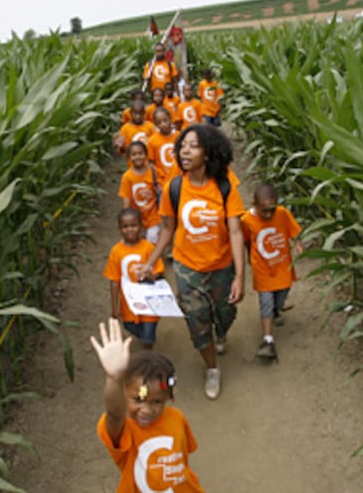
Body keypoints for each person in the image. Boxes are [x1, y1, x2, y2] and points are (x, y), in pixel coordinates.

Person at [136, 124, 245, 400]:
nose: (185, 150)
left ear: (207, 153)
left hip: (221, 266)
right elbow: (168, 229)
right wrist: (150, 262)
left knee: (226, 313)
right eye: (183, 145)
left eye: (193, 145)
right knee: (197, 321)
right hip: (187, 268)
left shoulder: (224, 186)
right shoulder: (175, 186)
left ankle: (222, 332)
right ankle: (212, 368)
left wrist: (240, 276)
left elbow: (235, 231)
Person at [91, 319, 204, 491]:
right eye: (138, 399)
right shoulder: (124, 429)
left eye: (156, 402)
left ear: (169, 397)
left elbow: (182, 460)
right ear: (123, 394)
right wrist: (114, 378)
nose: (146, 410)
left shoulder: (177, 418)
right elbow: (114, 414)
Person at [241, 184, 304, 361]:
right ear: (254, 204)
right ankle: (268, 340)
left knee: (282, 295)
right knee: (266, 302)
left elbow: (292, 230)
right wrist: (248, 257)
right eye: (264, 211)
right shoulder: (246, 220)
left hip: (282, 266)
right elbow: (246, 241)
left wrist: (297, 243)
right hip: (263, 269)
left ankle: (277, 310)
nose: (268, 215)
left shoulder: (282, 213)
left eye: (271, 210)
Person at [103, 208, 165, 349]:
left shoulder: (148, 248)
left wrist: (152, 276)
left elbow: (160, 272)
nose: (130, 229)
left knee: (148, 335)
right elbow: (114, 281)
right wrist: (115, 307)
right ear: (119, 229)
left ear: (141, 226)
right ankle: (144, 337)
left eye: (134, 225)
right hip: (129, 304)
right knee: (130, 326)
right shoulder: (116, 252)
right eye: (125, 226)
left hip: (149, 302)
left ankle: (147, 353)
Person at [118, 141, 162, 244]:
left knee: (152, 237)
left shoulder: (153, 171)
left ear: (146, 155)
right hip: (136, 216)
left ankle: (152, 257)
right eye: (134, 154)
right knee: (138, 241)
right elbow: (126, 198)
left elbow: (162, 186)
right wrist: (127, 217)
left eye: (140, 153)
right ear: (129, 158)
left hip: (153, 215)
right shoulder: (127, 177)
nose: (138, 157)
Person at [146, 107, 180, 187]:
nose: (163, 124)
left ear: (170, 119)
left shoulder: (179, 136)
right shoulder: (152, 141)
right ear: (155, 124)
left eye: (165, 120)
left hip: (179, 179)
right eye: (159, 122)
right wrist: (156, 182)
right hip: (162, 181)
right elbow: (151, 163)